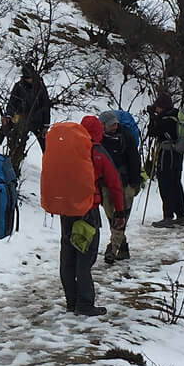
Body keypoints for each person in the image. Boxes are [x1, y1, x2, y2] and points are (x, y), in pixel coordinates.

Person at [58, 116, 124, 316]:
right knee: (85, 259)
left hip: (67, 209)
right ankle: (85, 304)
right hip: (87, 211)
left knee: (68, 256)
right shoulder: (98, 152)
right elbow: (114, 183)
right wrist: (119, 211)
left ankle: (71, 301)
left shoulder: (66, 150)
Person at [96, 110, 144, 264]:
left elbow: (134, 160)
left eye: (115, 123)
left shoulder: (126, 137)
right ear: (102, 125)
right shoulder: (99, 140)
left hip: (125, 182)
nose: (114, 126)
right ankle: (122, 249)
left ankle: (113, 248)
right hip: (106, 184)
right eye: (111, 124)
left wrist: (134, 182)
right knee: (112, 215)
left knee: (121, 215)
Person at [145, 86, 184, 226]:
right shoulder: (177, 116)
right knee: (176, 183)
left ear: (162, 106)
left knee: (166, 184)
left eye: (157, 106)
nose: (156, 109)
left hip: (167, 154)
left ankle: (168, 217)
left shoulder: (166, 119)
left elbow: (152, 132)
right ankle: (181, 215)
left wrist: (153, 117)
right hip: (177, 154)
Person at [0, 63, 52, 171]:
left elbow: (46, 106)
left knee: (45, 144)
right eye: (27, 78)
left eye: (30, 77)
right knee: (3, 130)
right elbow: (12, 102)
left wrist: (46, 124)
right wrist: (8, 115)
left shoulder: (40, 86)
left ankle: (51, 165)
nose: (29, 80)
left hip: (36, 120)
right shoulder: (19, 86)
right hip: (19, 117)